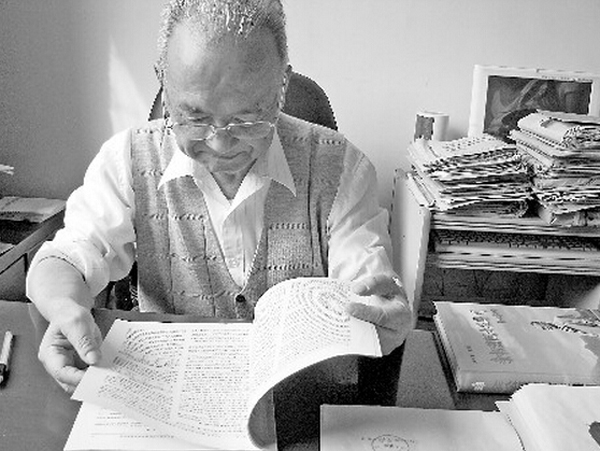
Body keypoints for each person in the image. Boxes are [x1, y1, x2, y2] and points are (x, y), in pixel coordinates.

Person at [26, 0, 413, 394]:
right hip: (169, 392)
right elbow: (65, 258)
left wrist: (381, 318)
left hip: (297, 397)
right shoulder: (127, 161)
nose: (220, 143)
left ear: (282, 84)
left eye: (248, 118)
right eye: (195, 117)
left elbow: (367, 287)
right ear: (163, 81)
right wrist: (65, 308)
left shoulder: (342, 167)